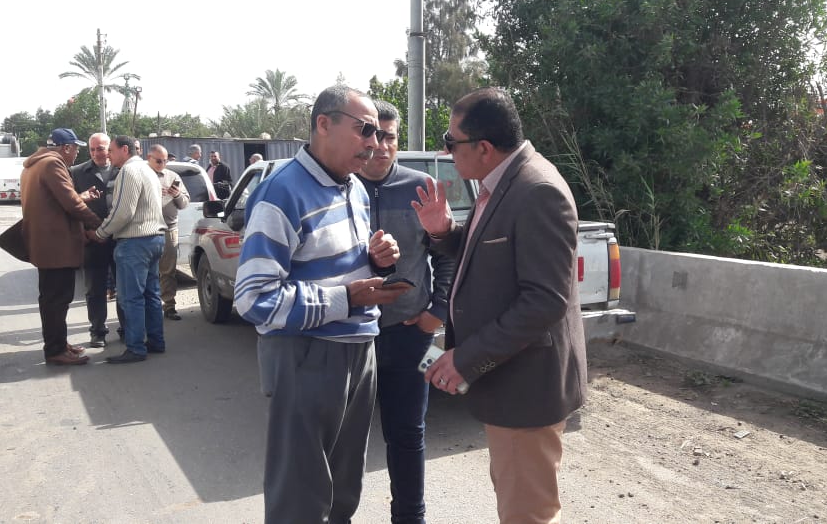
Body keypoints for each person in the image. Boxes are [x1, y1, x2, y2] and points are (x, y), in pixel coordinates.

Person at [413, 87, 587, 524]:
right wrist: (444, 232)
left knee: (527, 513)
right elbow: (488, 257)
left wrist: (466, 358)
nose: (446, 151)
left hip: (526, 389)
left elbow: (544, 301)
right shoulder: (502, 182)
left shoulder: (536, 191)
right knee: (519, 501)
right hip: (512, 383)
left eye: (451, 142)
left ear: (484, 148)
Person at [234, 85, 407, 523]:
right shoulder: (280, 192)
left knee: (344, 488)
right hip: (306, 353)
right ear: (324, 124)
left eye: (378, 132)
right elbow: (253, 297)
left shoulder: (355, 188)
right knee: (301, 497)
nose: (374, 143)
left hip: (359, 346)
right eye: (364, 130)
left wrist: (377, 259)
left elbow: (334, 264)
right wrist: (344, 298)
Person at [356, 100, 455, 524]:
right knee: (343, 437)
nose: (382, 146)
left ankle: (411, 518)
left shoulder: (422, 188)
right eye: (374, 135)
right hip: (349, 336)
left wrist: (437, 313)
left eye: (390, 137)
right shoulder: (341, 188)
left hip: (412, 334)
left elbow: (447, 255)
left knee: (409, 434)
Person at [20, 128, 103, 366]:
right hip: (57, 246)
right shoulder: (53, 164)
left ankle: (58, 343)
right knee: (57, 300)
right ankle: (55, 350)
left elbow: (54, 201)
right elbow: (71, 204)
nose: (77, 153)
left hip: (45, 245)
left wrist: (80, 196)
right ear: (66, 147)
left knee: (51, 299)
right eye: (75, 148)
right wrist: (98, 226)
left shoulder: (33, 165)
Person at [93, 135, 167, 364]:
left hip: (135, 243)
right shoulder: (148, 170)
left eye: (111, 151)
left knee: (131, 298)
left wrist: (100, 233)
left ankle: (135, 348)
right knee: (151, 295)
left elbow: (123, 212)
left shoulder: (128, 171)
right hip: (155, 239)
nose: (108, 155)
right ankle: (156, 341)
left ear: (124, 150)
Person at [70, 132, 120, 348]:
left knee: (124, 288)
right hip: (93, 240)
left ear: (110, 148)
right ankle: (97, 332)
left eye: (100, 148)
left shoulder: (122, 170)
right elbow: (70, 205)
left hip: (120, 239)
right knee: (94, 290)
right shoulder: (77, 172)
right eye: (92, 149)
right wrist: (82, 231)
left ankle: (127, 328)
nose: (96, 153)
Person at [146, 144, 190, 321]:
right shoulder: (141, 174)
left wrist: (176, 194)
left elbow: (184, 203)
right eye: (158, 161)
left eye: (165, 161)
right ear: (149, 158)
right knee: (147, 271)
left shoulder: (173, 176)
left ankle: (169, 306)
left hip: (168, 229)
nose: (162, 164)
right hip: (146, 229)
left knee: (168, 271)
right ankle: (149, 306)